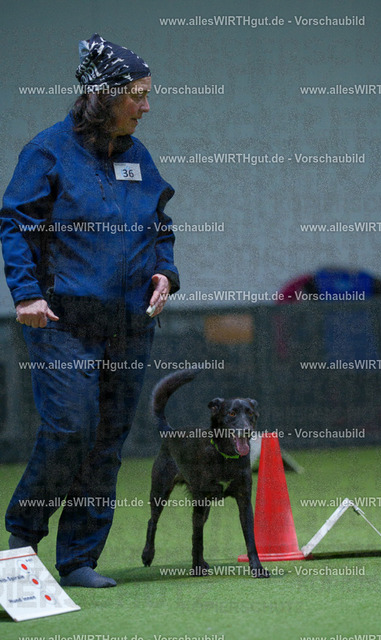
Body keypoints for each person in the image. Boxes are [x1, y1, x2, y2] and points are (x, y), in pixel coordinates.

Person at [0, 34, 180, 588]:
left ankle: (79, 559)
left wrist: (165, 273)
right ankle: (22, 538)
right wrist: (26, 294)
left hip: (130, 326)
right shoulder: (48, 151)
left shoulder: (138, 157)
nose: (146, 106)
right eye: (137, 95)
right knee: (72, 428)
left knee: (107, 440)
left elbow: (160, 228)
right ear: (104, 95)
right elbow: (15, 225)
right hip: (63, 323)